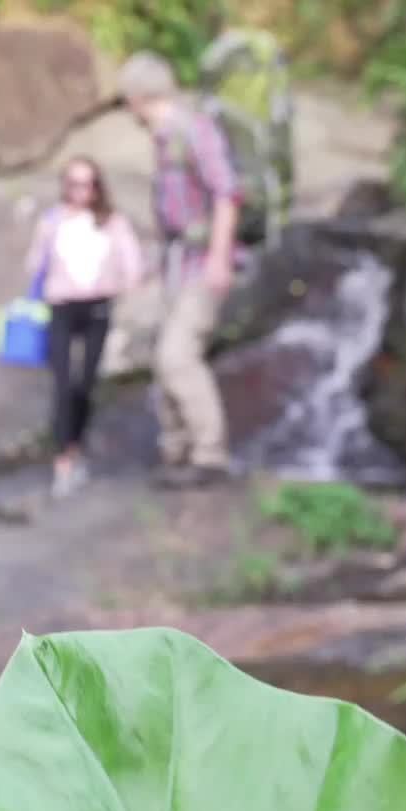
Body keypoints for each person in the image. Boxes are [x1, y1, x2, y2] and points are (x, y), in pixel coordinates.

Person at [116, 51, 239, 489]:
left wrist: (220, 259)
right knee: (161, 359)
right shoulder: (164, 138)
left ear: (138, 97)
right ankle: (177, 452)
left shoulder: (194, 131)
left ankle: (210, 455)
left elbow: (226, 194)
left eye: (126, 99)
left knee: (177, 356)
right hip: (175, 264)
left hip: (202, 264)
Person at [26, 156, 143, 496]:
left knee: (85, 383)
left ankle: (76, 446)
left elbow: (132, 265)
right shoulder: (53, 220)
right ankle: (63, 458)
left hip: (96, 307)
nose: (80, 191)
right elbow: (35, 263)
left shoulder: (112, 222)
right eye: (74, 184)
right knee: (62, 382)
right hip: (62, 307)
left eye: (87, 184)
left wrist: (124, 288)